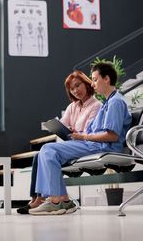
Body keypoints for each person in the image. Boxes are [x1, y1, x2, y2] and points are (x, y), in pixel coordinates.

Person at [29, 62, 132, 215]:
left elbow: (112, 136)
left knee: (48, 149)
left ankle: (57, 200)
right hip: (94, 144)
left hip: (102, 146)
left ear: (107, 79)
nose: (92, 83)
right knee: (47, 151)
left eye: (95, 79)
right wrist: (81, 135)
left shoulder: (115, 102)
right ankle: (61, 199)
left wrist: (83, 136)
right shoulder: (108, 102)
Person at [17, 70, 102, 214]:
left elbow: (89, 132)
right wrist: (62, 128)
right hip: (73, 143)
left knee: (48, 150)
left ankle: (55, 199)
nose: (75, 91)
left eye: (78, 85)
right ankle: (40, 199)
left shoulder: (96, 105)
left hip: (87, 143)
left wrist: (75, 131)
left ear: (87, 84)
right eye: (72, 89)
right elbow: (63, 124)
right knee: (39, 155)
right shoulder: (73, 106)